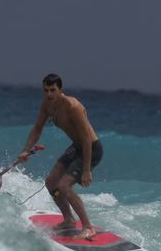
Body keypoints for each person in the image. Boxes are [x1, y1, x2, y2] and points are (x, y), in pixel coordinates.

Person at [18, 73, 103, 240]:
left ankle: (87, 227)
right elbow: (37, 128)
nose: (49, 94)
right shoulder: (47, 106)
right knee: (51, 183)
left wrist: (86, 170)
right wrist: (26, 150)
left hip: (91, 148)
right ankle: (69, 219)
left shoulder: (73, 106)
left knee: (64, 185)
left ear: (60, 89)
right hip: (76, 147)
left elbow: (86, 138)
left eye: (53, 90)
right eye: (46, 90)